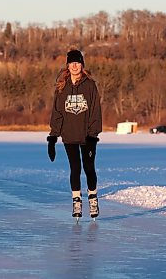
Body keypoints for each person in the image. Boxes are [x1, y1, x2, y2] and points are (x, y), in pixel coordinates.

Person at [47, 50, 102, 221]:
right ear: (68, 66)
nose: (75, 66)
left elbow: (95, 111)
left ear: (82, 65)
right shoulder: (62, 87)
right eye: (72, 63)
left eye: (78, 63)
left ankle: (92, 197)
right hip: (69, 134)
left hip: (87, 136)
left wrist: (93, 134)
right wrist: (53, 137)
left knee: (89, 167)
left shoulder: (90, 85)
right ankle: (76, 200)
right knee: (75, 168)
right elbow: (57, 113)